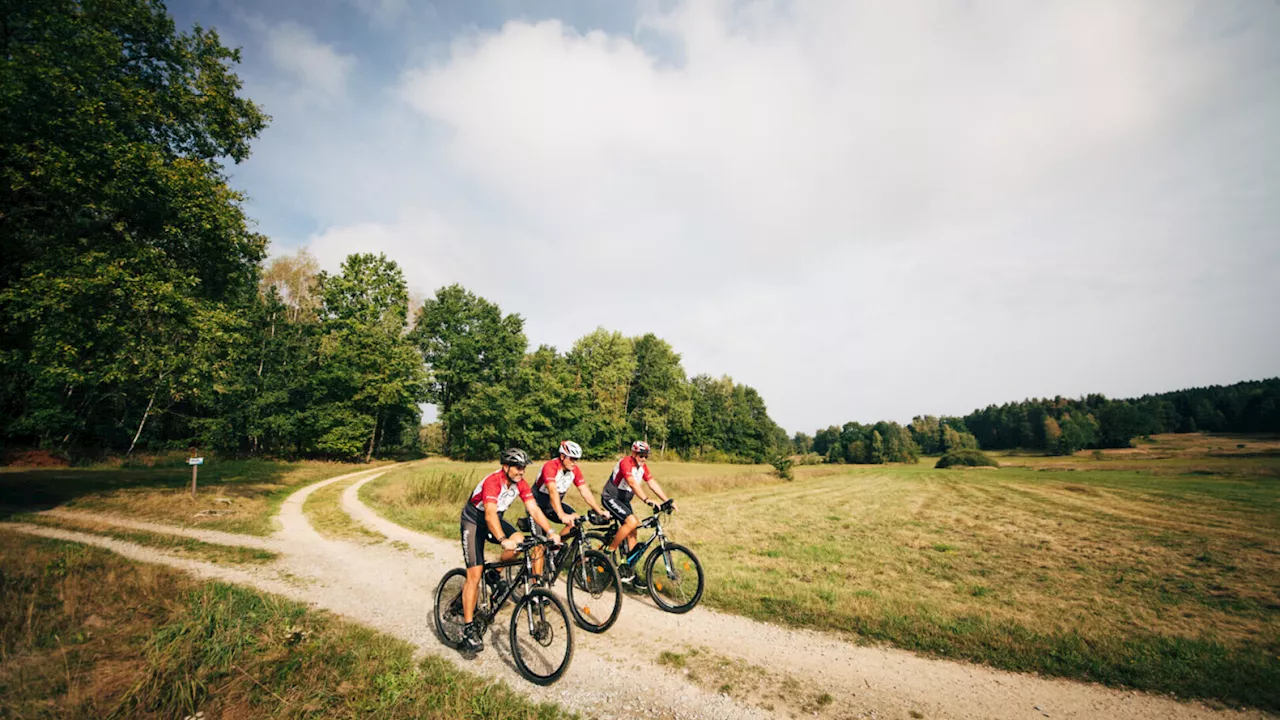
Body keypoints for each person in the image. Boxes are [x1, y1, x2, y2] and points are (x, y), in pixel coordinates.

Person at [458, 447, 560, 653]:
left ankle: (495, 574)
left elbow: (534, 508)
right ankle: (468, 628)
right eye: (517, 468)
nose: (521, 471)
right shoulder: (492, 482)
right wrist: (502, 539)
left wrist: (550, 531)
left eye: (523, 468)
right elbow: (488, 515)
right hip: (474, 522)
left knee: (520, 540)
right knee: (474, 575)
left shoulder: (520, 484)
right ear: (505, 467)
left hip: (495, 519)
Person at [600, 440, 676, 590]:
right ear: (633, 453)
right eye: (641, 455)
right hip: (611, 497)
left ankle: (629, 571)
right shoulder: (625, 463)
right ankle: (609, 552)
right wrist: (647, 500)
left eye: (646, 456)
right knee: (632, 522)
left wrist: (666, 500)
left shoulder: (642, 467)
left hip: (624, 500)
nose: (643, 459)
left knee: (633, 533)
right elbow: (633, 483)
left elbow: (652, 482)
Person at [533, 440, 608, 542]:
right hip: (536, 506)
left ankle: (556, 550)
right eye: (572, 459)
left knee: (576, 522)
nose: (574, 463)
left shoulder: (574, 470)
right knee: (540, 543)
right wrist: (561, 514)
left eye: (576, 459)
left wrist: (599, 511)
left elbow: (584, 490)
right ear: (562, 456)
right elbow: (552, 491)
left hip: (553, 505)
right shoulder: (550, 466)